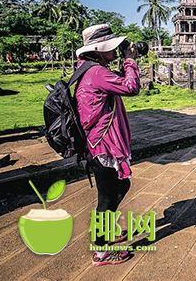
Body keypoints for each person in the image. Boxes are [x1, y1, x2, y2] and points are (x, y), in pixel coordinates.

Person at [74, 24, 140, 266]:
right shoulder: (98, 73)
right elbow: (131, 87)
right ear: (98, 50)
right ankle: (101, 252)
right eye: (110, 46)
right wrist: (130, 60)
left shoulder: (88, 69)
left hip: (98, 144)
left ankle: (105, 234)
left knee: (119, 187)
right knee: (107, 197)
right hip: (103, 147)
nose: (115, 49)